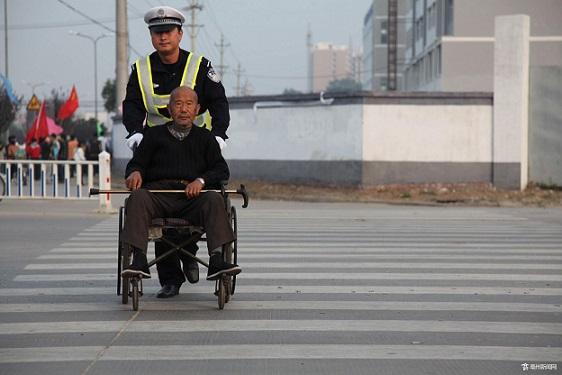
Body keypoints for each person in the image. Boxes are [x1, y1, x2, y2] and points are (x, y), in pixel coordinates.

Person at [122, 5, 231, 298]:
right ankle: (169, 278)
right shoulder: (141, 69)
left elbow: (219, 102)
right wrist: (135, 136)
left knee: (204, 203)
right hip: (156, 150)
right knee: (153, 204)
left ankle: (191, 254)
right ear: (151, 36)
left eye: (168, 32)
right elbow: (131, 104)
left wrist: (219, 136)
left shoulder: (200, 65)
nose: (162, 38)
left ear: (180, 34)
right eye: (156, 33)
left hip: (198, 149)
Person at [120, 86, 241, 284]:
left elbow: (221, 170)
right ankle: (138, 260)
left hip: (191, 198)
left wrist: (200, 181)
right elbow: (137, 164)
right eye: (178, 104)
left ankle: (217, 261)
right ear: (169, 109)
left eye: (188, 104)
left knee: (214, 198)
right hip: (159, 196)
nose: (183, 109)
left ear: (197, 109)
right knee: (138, 197)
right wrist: (135, 172)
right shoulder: (153, 136)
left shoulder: (206, 138)